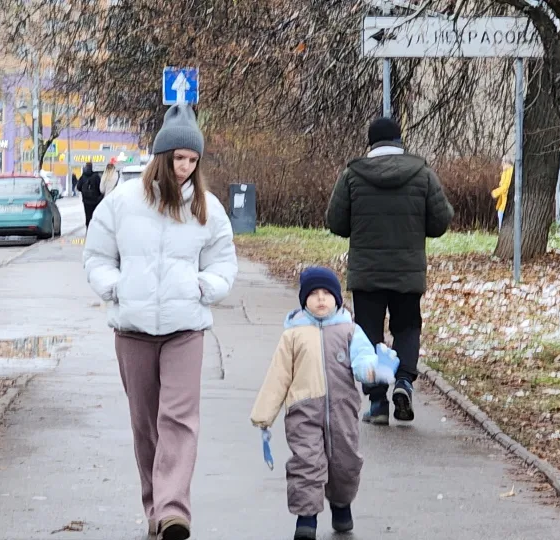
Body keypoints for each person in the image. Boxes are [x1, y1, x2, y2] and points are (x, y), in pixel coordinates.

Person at [82, 103, 238, 540]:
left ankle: (173, 511)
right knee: (145, 423)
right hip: (132, 329)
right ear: (161, 158)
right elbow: (96, 256)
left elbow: (223, 263)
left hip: (185, 328)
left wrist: (202, 287)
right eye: (179, 159)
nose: (186, 167)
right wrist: (116, 287)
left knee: (179, 417)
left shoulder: (208, 209)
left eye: (193, 160)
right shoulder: (121, 203)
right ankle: (154, 507)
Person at [250, 267, 399, 540]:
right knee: (306, 463)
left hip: (342, 410)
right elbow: (278, 376)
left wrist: (377, 369)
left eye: (327, 294)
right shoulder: (293, 335)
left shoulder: (350, 330)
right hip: (302, 412)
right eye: (314, 294)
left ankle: (341, 504)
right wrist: (264, 415)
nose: (321, 299)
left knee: (345, 463)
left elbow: (363, 360)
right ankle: (306, 519)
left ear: (337, 298)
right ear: (304, 299)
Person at [325, 117, 454, 425]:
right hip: (407, 271)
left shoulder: (353, 176)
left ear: (370, 143)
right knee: (407, 328)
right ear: (399, 141)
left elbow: (335, 222)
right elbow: (440, 222)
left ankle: (378, 402)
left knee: (368, 333)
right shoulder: (422, 174)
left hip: (367, 273)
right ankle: (405, 381)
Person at [77, 162, 103, 229]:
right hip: (95, 200)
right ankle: (94, 228)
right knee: (95, 215)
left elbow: (78, 187)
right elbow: (100, 188)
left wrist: (84, 191)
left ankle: (88, 227)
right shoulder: (96, 176)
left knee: (87, 215)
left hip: (86, 200)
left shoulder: (83, 176)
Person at [493, 160, 512, 229]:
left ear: (507, 163)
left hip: (506, 199)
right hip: (503, 199)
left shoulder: (509, 171)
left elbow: (506, 186)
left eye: (503, 162)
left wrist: (495, 193)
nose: (501, 164)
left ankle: (502, 231)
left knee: (501, 214)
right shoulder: (506, 171)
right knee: (500, 213)